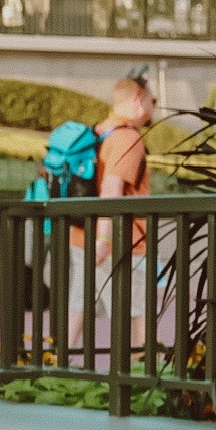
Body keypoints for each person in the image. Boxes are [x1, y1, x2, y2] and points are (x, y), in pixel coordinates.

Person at [67, 73, 156, 354]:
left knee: (79, 302)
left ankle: (58, 359)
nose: (154, 107)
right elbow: (111, 188)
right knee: (138, 307)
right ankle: (142, 364)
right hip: (121, 240)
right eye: (152, 100)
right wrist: (104, 240)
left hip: (82, 234)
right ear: (139, 99)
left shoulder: (99, 131)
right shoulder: (127, 137)